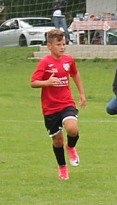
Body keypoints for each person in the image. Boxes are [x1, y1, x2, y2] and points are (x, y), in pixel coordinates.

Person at [30, 28, 86, 179]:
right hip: (50, 108)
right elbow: (33, 82)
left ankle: (71, 147)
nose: (62, 47)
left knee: (72, 129)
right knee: (57, 140)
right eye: (58, 44)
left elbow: (75, 74)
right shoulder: (45, 62)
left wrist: (81, 93)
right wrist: (47, 82)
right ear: (49, 46)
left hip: (66, 102)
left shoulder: (68, 60)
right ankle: (62, 167)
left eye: (64, 44)